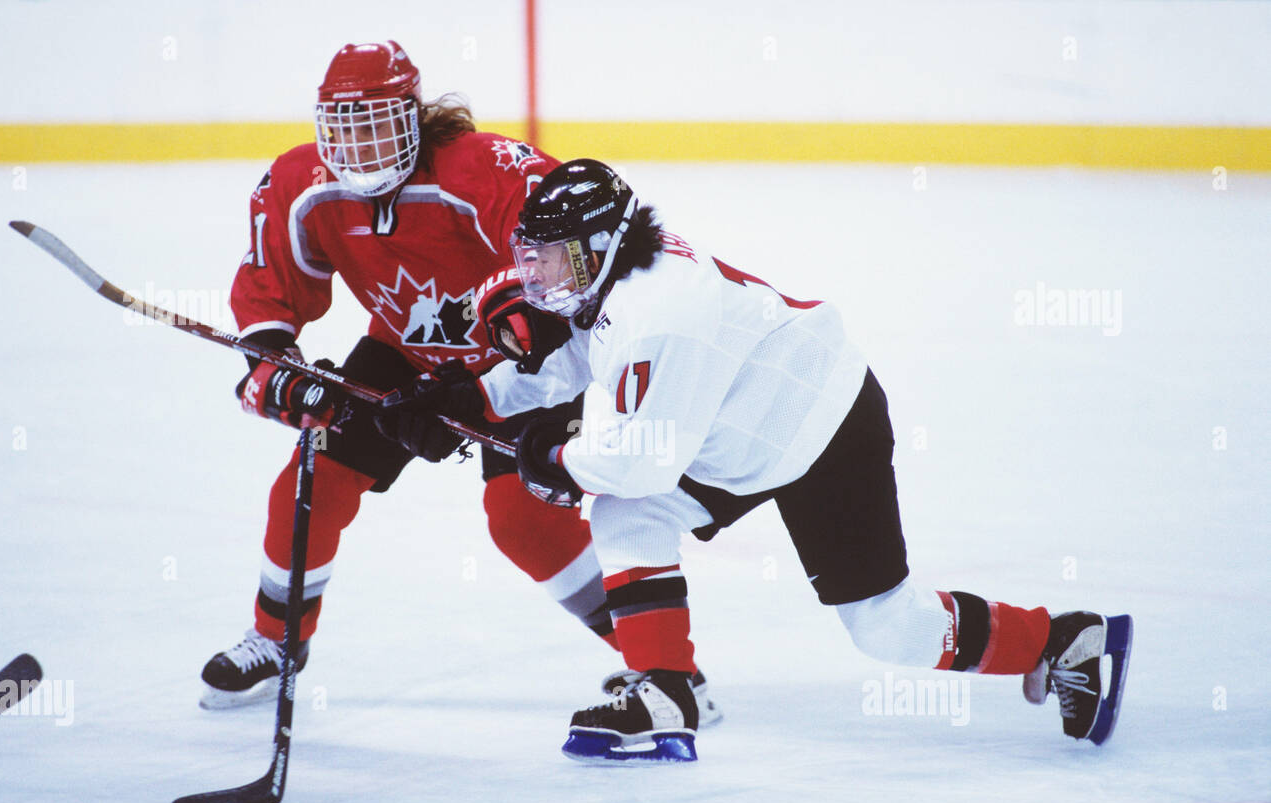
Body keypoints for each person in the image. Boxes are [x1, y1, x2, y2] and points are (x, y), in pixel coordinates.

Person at [390, 159, 1134, 763]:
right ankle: (667, 689)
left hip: (820, 422)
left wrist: (548, 452)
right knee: (628, 513)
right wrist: (471, 396)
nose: (540, 273)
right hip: (738, 419)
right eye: (534, 256)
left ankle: (1063, 638)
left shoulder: (658, 315)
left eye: (553, 257)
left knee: (886, 627)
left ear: (598, 247)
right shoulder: (621, 280)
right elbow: (583, 359)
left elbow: (637, 461)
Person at [202, 43, 722, 726]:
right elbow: (273, 292)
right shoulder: (305, 184)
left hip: (519, 364)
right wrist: (278, 370)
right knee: (313, 480)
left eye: (377, 123)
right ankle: (276, 643)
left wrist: (517, 339)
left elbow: (562, 255)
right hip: (404, 355)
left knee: (523, 523)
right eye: (343, 127)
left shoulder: (476, 168)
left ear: (414, 116)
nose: (358, 146)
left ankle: (664, 672)